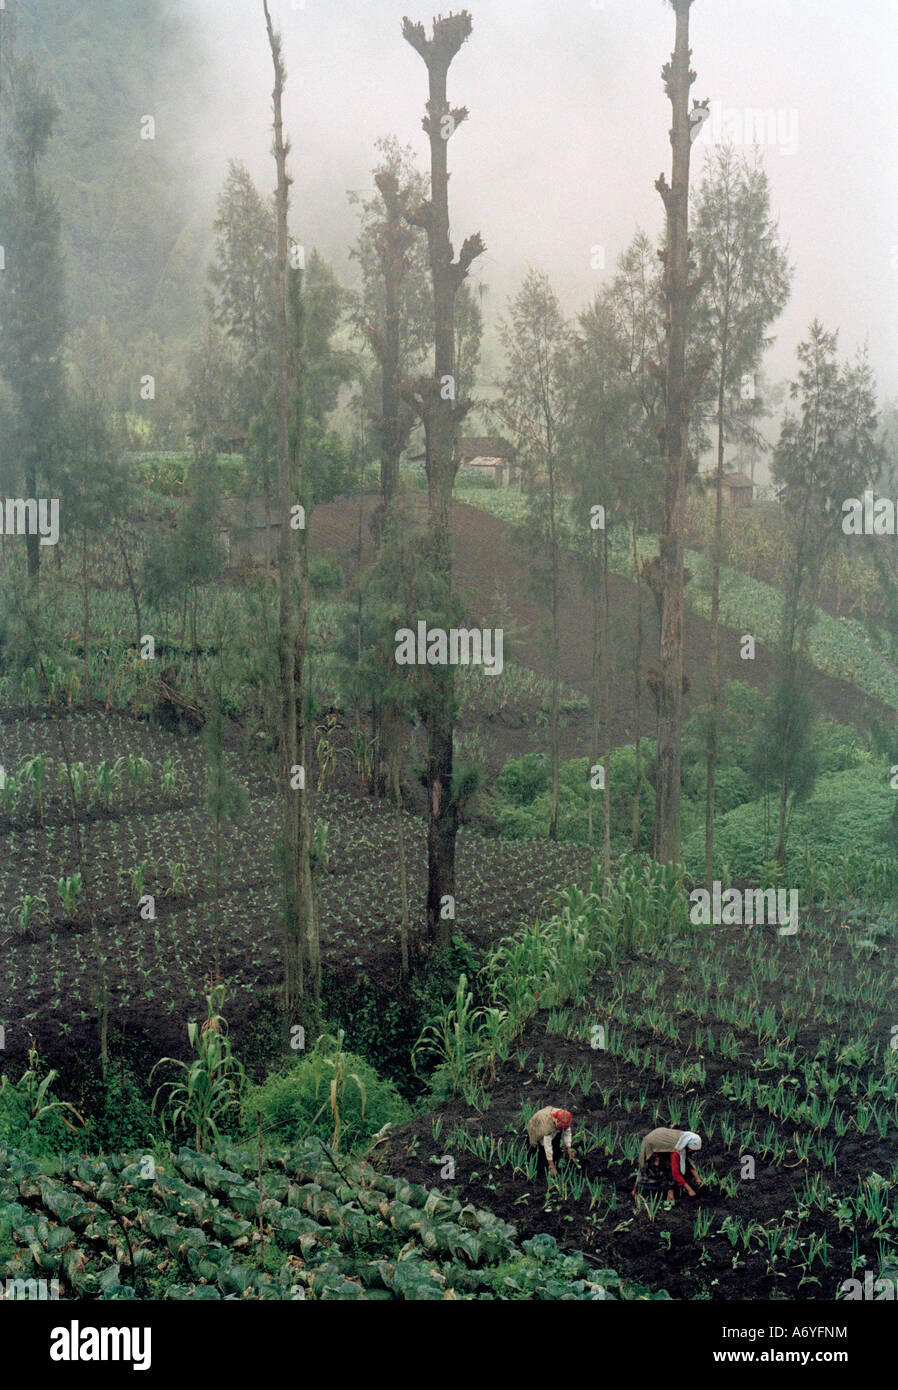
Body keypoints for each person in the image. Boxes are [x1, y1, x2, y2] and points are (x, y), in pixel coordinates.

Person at [633, 1127, 702, 1201]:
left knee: (670, 1168)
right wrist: (690, 1190)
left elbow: (687, 1161)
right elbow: (676, 1174)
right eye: (692, 1150)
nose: (693, 1152)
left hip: (660, 1142)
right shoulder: (676, 1150)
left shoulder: (683, 1141)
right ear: (688, 1147)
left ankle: (670, 1196)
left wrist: (697, 1178)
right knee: (649, 1170)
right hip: (652, 1144)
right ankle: (635, 1192)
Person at [527, 1106, 574, 1176]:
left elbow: (567, 1133)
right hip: (537, 1124)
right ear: (556, 1120)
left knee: (556, 1146)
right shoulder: (547, 1126)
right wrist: (551, 1166)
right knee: (540, 1148)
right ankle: (539, 1165)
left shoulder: (564, 1117)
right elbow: (547, 1146)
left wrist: (569, 1148)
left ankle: (553, 1159)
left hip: (554, 1127)